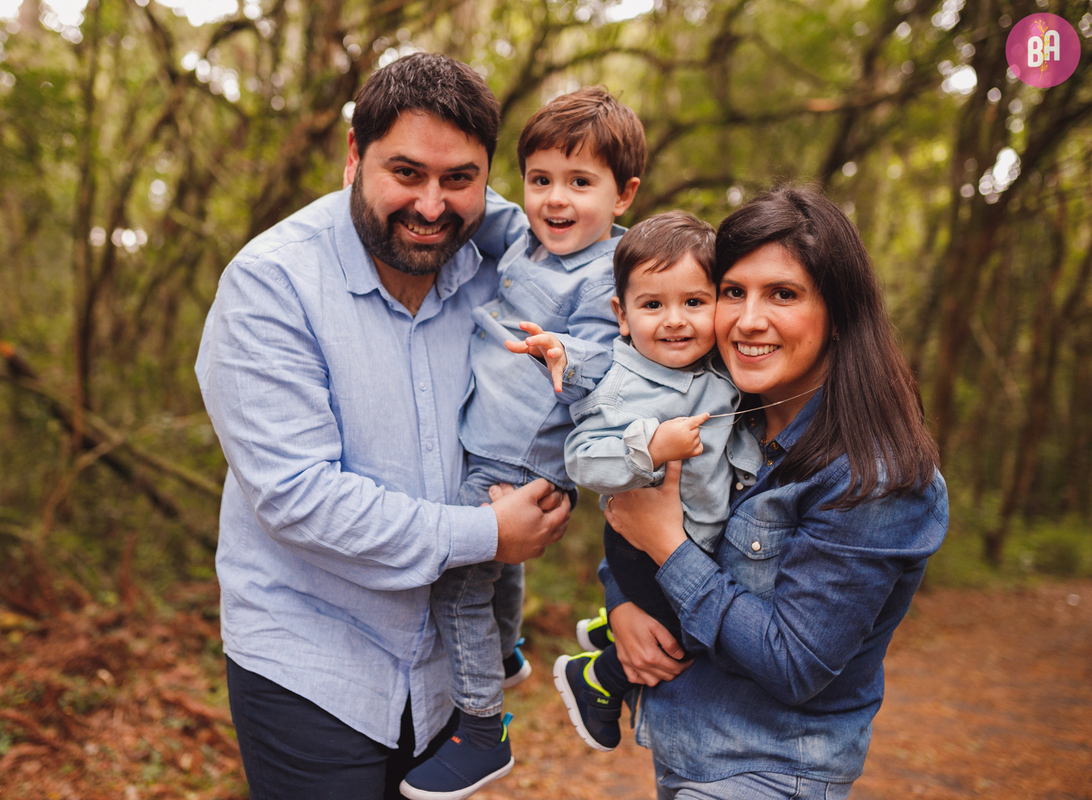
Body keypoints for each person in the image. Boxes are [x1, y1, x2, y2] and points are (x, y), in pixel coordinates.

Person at [194, 53, 571, 800]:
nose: (432, 206)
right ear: (352, 158)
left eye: (459, 179)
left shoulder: (500, 266)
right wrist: (490, 537)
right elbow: (299, 496)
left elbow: (610, 264)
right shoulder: (271, 284)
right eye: (405, 173)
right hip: (311, 661)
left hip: (447, 672)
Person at [601, 186, 948, 799]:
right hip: (689, 756)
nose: (748, 319)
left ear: (838, 313)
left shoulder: (874, 476)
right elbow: (638, 516)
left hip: (769, 774)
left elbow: (795, 662)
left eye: (782, 294)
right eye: (733, 292)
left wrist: (667, 551)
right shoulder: (721, 418)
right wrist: (621, 601)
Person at [401, 86, 646, 800]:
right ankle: (504, 652)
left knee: (457, 578)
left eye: (580, 183)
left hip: (527, 454)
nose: (555, 200)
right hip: (491, 440)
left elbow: (612, 364)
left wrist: (562, 350)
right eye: (541, 180)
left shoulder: (612, 274)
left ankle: (482, 730)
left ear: (623, 195)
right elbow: (483, 206)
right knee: (498, 567)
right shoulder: (525, 238)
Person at [548, 211, 761, 753]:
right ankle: (600, 675)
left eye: (694, 302)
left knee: (701, 614)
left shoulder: (721, 372)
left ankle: (606, 625)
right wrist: (650, 446)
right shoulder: (622, 386)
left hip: (698, 542)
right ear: (622, 314)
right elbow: (582, 460)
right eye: (652, 305)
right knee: (693, 636)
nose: (675, 320)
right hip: (641, 547)